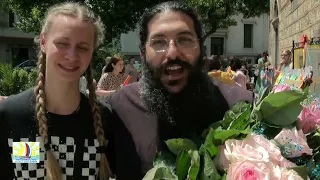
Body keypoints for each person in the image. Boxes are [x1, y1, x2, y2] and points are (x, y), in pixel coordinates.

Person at [107, 1, 253, 179]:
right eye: (159, 42)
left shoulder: (240, 107)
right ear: (143, 53)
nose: (172, 53)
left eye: (184, 39)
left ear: (201, 48)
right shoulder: (119, 108)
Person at [0, 2, 113, 179]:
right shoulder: (10, 115)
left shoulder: (105, 118)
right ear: (43, 42)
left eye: (82, 47)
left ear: (92, 50)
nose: (71, 55)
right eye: (62, 43)